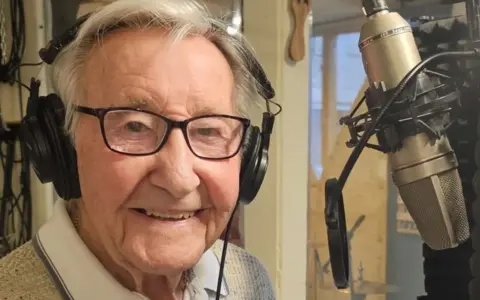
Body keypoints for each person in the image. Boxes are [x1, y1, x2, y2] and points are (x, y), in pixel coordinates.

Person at [0, 0, 277, 299]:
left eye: (209, 130)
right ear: (64, 145)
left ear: (248, 157)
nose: (179, 180)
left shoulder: (250, 279)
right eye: (135, 127)